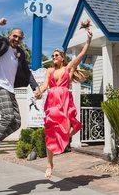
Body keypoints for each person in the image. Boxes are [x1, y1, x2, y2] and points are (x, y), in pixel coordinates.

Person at [0, 18, 40, 174]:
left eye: (19, 38)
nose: (16, 39)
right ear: (10, 35)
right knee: (8, 116)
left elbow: (27, 72)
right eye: (14, 36)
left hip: (10, 90)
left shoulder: (20, 54)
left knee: (16, 122)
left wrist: (35, 86)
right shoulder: (2, 43)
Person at [35, 25, 92, 179]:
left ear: (62, 58)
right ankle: (49, 164)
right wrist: (39, 91)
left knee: (74, 126)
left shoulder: (68, 68)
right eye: (52, 56)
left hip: (65, 101)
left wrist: (88, 41)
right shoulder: (50, 71)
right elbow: (45, 85)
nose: (53, 58)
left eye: (56, 55)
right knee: (50, 134)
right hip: (52, 103)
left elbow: (81, 55)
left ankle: (65, 138)